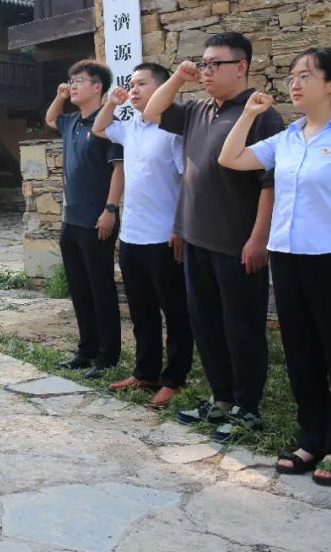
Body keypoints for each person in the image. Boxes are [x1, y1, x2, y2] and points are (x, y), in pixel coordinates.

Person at [218, 47, 331, 486]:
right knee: (300, 354)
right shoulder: (287, 138)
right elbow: (230, 158)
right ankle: (310, 438)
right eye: (292, 75)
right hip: (288, 260)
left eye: (305, 75)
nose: (294, 83)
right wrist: (248, 115)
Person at [143, 32, 284, 442]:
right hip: (197, 239)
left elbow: (270, 183)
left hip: (237, 244)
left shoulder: (261, 113)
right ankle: (220, 398)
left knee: (242, 327)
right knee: (205, 324)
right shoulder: (197, 109)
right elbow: (152, 111)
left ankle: (247, 407)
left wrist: (259, 238)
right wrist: (177, 78)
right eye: (202, 63)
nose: (205, 71)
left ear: (241, 66)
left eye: (213, 64)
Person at [92, 63, 191, 408]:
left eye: (142, 84)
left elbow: (187, 182)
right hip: (132, 237)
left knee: (175, 312)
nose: (134, 90)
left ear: (162, 88)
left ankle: (174, 378)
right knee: (141, 310)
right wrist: (111, 102)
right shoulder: (130, 127)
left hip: (164, 238)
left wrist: (180, 227)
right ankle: (145, 371)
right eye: (131, 84)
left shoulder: (172, 131)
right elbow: (99, 127)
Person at [44, 60, 124, 380]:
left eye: (79, 80)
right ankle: (86, 350)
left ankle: (107, 356)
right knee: (79, 287)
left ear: (98, 87)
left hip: (97, 219)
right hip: (72, 220)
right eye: (71, 80)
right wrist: (60, 96)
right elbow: (50, 119)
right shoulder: (71, 122)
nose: (73, 85)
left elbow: (118, 169)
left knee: (100, 287)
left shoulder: (107, 123)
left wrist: (110, 209)